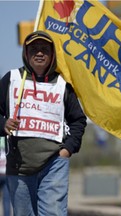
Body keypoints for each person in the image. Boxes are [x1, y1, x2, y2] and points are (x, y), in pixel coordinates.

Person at [0, 31, 87, 216]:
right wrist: (3, 124)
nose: (39, 53)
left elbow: (78, 120)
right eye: (34, 49)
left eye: (44, 49)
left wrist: (67, 150)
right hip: (19, 168)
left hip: (54, 164)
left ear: (52, 54)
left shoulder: (63, 84)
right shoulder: (11, 79)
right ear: (26, 53)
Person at [0, 136, 11, 216]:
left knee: (6, 199)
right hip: (7, 172)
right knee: (6, 200)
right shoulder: (9, 139)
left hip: (4, 173)